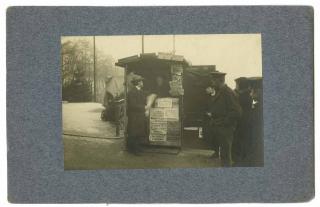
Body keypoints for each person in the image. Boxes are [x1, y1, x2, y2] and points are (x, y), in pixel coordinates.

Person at [205, 71, 242, 167]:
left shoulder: (228, 93)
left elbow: (237, 112)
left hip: (225, 128)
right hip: (219, 126)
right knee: (224, 155)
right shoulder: (221, 91)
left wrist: (223, 122)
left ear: (219, 80)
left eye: (213, 81)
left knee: (225, 155)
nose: (212, 83)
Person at [232, 77, 253, 166]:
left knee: (239, 141)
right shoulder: (246, 95)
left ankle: (239, 161)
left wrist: (235, 93)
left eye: (237, 84)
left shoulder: (243, 97)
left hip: (242, 122)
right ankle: (241, 160)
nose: (235, 86)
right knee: (241, 141)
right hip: (245, 121)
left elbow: (236, 106)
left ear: (240, 85)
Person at [126, 75, 147, 155]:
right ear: (138, 83)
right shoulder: (131, 92)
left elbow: (143, 101)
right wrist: (144, 107)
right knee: (133, 133)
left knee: (139, 133)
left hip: (140, 115)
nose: (142, 82)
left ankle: (137, 148)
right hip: (134, 116)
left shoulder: (141, 91)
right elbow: (132, 105)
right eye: (141, 81)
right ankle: (134, 150)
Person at [247, 77, 264, 166]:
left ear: (259, 91)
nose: (250, 94)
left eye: (252, 91)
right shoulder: (258, 105)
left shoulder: (259, 107)